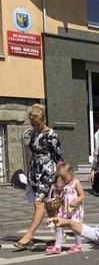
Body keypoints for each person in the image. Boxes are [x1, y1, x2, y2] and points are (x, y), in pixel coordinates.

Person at [13, 104, 64, 249]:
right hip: (35, 171)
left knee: (38, 203)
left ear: (44, 119)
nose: (35, 126)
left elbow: (59, 158)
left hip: (47, 172)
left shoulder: (52, 135)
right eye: (32, 124)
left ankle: (28, 236)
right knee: (49, 205)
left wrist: (60, 178)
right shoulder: (35, 133)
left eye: (37, 123)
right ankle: (58, 233)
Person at [46, 163, 85, 254]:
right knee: (58, 225)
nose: (62, 179)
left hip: (73, 209)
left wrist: (75, 202)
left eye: (64, 177)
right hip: (64, 209)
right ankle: (57, 246)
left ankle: (79, 245)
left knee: (76, 227)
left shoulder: (76, 183)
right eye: (61, 177)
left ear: (71, 174)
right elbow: (60, 193)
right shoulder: (64, 183)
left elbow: (82, 195)